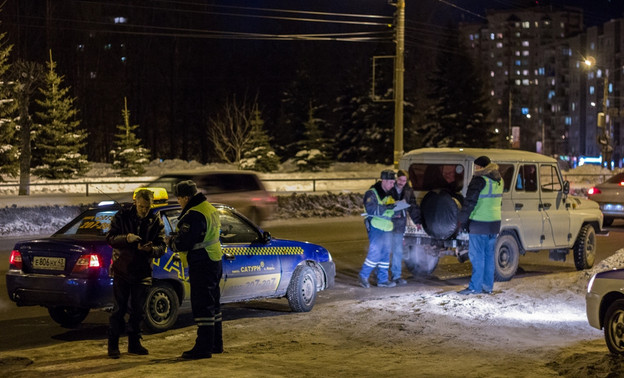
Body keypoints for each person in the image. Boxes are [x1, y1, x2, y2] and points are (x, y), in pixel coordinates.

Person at [106, 188, 167, 359]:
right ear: (135, 203)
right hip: (122, 269)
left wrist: (151, 250)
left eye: (147, 207)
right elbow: (110, 238)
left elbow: (162, 246)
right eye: (141, 206)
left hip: (143, 271)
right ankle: (113, 345)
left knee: (139, 310)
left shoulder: (155, 221)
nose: (144, 210)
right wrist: (127, 238)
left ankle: (134, 343)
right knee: (119, 309)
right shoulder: (122, 216)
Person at [169, 180, 223, 359]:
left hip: (202, 261)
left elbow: (186, 241)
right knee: (213, 304)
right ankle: (216, 343)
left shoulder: (194, 213)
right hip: (214, 259)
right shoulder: (208, 208)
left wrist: (172, 242)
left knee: (202, 304)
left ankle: (203, 347)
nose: (178, 202)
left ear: (186, 197)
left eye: (179, 198)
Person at [457, 156, 503, 295]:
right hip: (494, 223)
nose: (475, 169)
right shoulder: (499, 180)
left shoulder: (479, 180)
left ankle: (474, 287)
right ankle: (487, 287)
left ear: (481, 167)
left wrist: (462, 221)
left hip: (479, 223)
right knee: (489, 256)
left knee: (477, 256)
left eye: (476, 166)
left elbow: (469, 203)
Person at [359, 169, 398, 288]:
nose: (392, 185)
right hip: (375, 227)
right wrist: (388, 207)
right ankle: (363, 276)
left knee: (386, 254)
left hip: (387, 228)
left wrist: (397, 210)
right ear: (384, 181)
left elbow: (391, 210)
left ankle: (382, 280)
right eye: (391, 182)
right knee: (375, 253)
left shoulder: (390, 193)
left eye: (393, 183)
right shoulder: (372, 193)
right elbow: (371, 210)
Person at [389, 169, 421, 285]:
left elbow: (412, 205)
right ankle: (380, 276)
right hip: (388, 223)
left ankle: (396, 276)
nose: (402, 182)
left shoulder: (408, 190)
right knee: (384, 251)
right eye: (400, 180)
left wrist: (417, 221)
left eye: (404, 180)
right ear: (396, 179)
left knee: (398, 251)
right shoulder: (389, 188)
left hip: (399, 224)